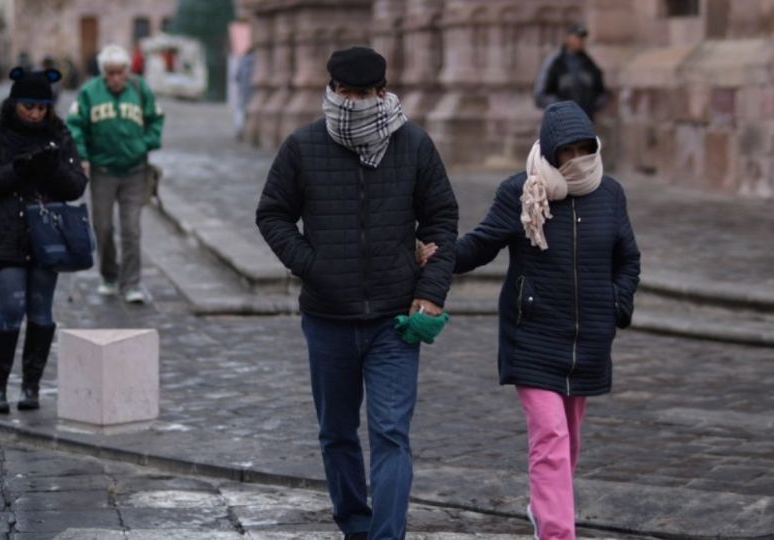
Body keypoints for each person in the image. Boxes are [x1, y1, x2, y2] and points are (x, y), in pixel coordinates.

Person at [256, 46, 459, 540]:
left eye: (363, 94)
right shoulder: (303, 146)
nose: (353, 103)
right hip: (328, 318)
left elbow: (442, 221)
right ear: (331, 90)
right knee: (338, 434)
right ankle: (355, 525)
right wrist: (312, 265)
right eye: (344, 93)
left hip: (395, 320)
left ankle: (387, 536)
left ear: (382, 93)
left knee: (391, 433)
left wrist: (431, 291)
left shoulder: (413, 144)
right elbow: (272, 214)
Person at [418, 101, 640, 540]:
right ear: (552, 150)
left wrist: (617, 303)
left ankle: (543, 505)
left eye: (584, 148)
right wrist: (439, 257)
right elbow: (482, 244)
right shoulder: (521, 191)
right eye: (568, 150)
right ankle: (557, 532)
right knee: (551, 436)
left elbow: (627, 258)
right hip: (533, 334)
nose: (577, 159)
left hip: (589, 339)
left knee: (568, 442)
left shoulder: (609, 193)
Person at [0, 67, 88, 414]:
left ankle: (31, 386)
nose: (35, 113)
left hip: (47, 236)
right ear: (15, 103)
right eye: (28, 106)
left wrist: (51, 169)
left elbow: (77, 185)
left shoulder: (59, 135)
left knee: (41, 312)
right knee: (10, 309)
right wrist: (17, 170)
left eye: (41, 107)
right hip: (5, 234)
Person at [67, 44, 165, 303]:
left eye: (120, 72)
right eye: (110, 73)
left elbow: (156, 118)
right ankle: (109, 275)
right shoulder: (89, 92)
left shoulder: (140, 88)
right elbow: (75, 125)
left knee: (131, 229)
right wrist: (82, 155)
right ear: (102, 73)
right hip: (102, 171)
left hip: (135, 171)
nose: (115, 79)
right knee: (104, 227)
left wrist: (145, 144)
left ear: (127, 71)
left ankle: (131, 283)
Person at [533, 23, 608, 120]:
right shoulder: (554, 62)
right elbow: (540, 95)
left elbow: (601, 92)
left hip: (584, 121)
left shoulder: (589, 64)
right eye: (577, 37)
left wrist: (591, 106)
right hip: (560, 122)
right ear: (567, 38)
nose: (580, 41)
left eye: (582, 38)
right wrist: (561, 108)